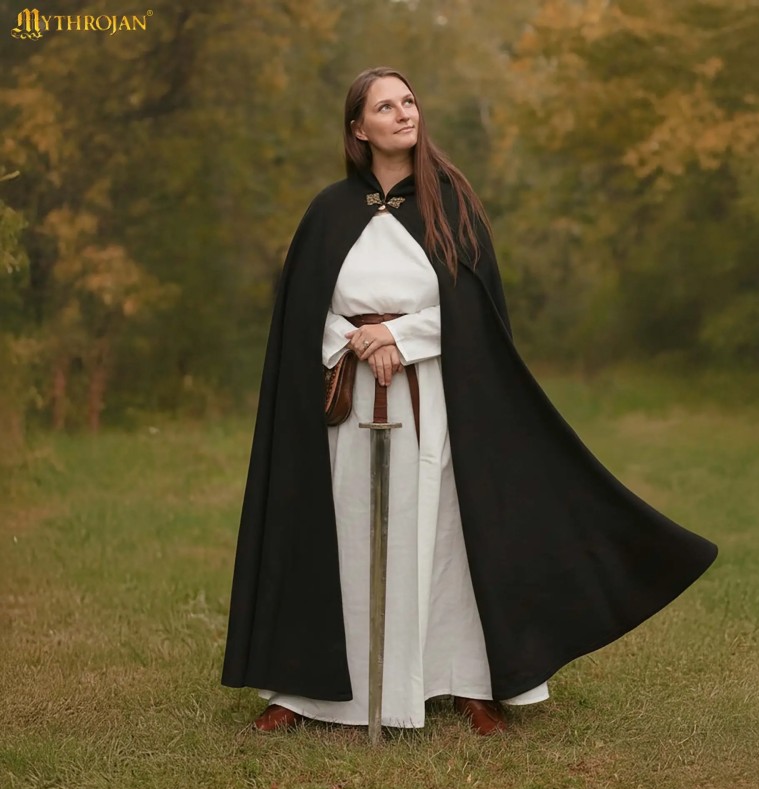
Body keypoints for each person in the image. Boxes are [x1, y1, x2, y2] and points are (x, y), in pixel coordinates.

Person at [221, 67, 718, 736]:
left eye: (409, 101)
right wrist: (358, 340)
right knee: (343, 533)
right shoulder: (328, 212)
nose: (404, 113)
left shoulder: (450, 204)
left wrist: (398, 336)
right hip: (349, 403)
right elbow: (301, 313)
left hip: (435, 401)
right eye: (385, 106)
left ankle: (466, 681)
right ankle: (308, 691)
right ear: (357, 129)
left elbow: (474, 314)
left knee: (446, 535)